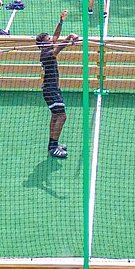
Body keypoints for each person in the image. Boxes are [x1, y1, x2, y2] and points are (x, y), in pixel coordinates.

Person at [37, 9, 80, 159]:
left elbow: (56, 37)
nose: (52, 39)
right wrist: (69, 37)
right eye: (49, 39)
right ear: (43, 44)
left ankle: (52, 145)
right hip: (50, 90)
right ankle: (54, 146)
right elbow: (59, 47)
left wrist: (61, 21)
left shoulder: (46, 49)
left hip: (53, 89)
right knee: (61, 116)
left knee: (55, 116)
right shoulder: (48, 54)